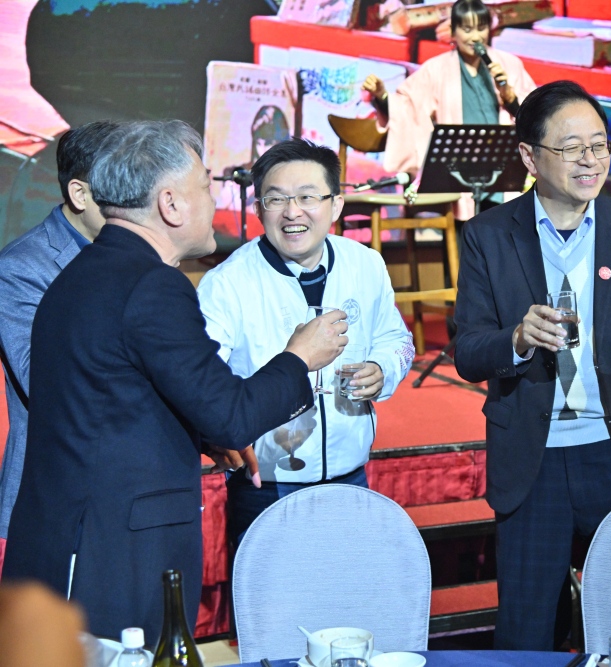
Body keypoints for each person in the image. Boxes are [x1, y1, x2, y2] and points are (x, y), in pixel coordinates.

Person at [2, 120, 347, 645]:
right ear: (170, 204)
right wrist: (299, 357)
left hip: (74, 539)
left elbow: (114, 396)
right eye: (206, 185)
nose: (214, 199)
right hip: (111, 552)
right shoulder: (152, 284)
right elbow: (231, 415)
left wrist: (201, 435)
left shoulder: (86, 270)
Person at [454, 80, 611, 650]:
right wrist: (517, 339)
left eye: (598, 146)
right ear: (529, 156)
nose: (590, 160)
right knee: (527, 634)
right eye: (571, 148)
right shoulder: (489, 236)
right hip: (532, 460)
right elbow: (468, 351)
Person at [197, 137, 414, 546]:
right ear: (258, 208)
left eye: (307, 197)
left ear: (336, 205)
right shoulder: (226, 284)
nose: (292, 211)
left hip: (350, 474)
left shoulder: (366, 263)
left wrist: (383, 368)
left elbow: (398, 339)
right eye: (276, 199)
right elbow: (203, 380)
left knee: (347, 586)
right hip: (266, 484)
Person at [0, 120, 118, 571]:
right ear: (80, 194)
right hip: (53, 499)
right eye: (123, 187)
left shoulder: (143, 256)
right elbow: (44, 384)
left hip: (125, 500)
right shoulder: (22, 268)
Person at [362, 0, 535, 220]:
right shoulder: (436, 69)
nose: (475, 37)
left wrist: (510, 98)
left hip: (503, 166)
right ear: (453, 32)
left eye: (481, 28)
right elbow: (408, 106)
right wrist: (382, 96)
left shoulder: (510, 65)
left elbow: (534, 116)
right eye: (467, 29)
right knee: (467, 224)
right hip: (459, 168)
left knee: (502, 224)